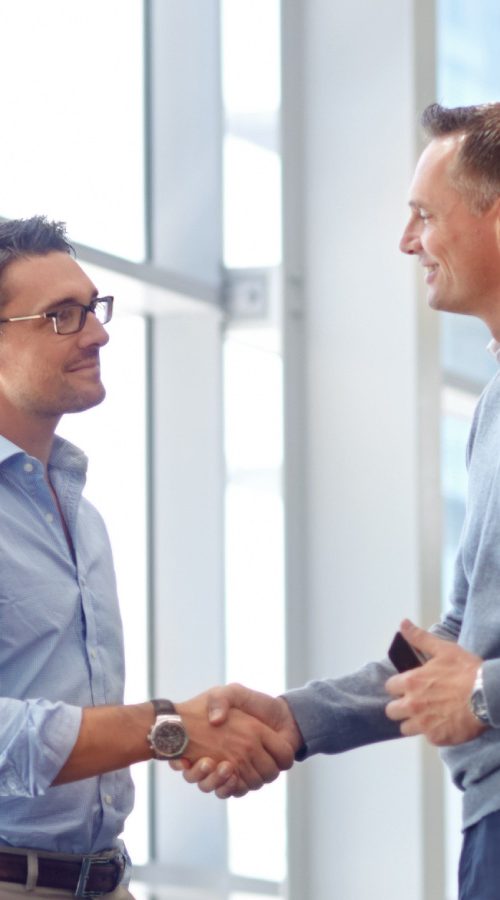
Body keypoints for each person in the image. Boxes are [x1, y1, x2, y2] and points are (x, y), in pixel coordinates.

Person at [173, 102, 500, 900]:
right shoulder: (493, 403)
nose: (407, 242)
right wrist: (295, 720)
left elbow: (474, 676)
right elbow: (455, 637)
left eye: (424, 215)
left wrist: (488, 696)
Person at [0, 216, 296, 899]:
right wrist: (166, 727)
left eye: (93, 309)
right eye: (62, 316)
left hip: (104, 880)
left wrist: (187, 730)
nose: (98, 334)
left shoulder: (83, 515)